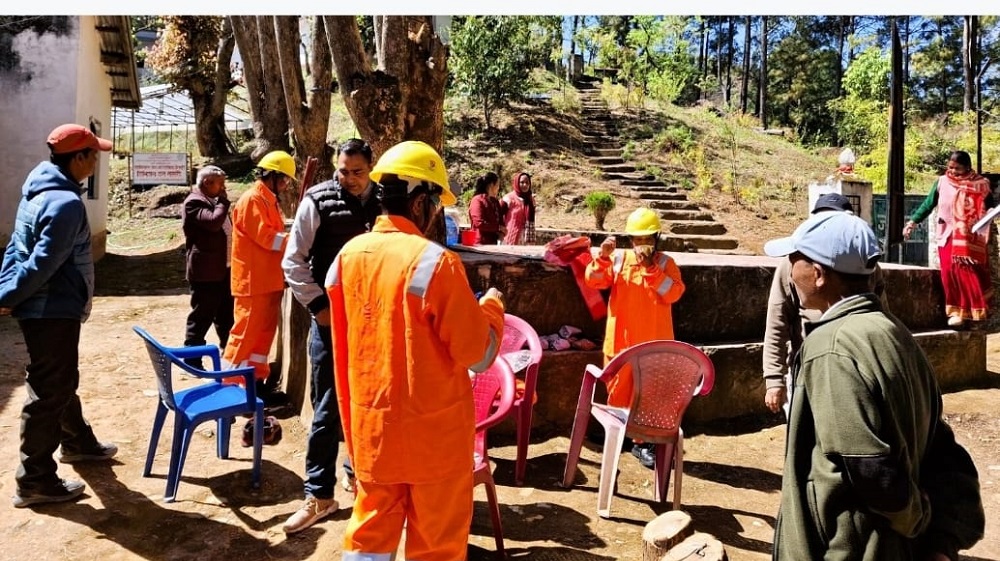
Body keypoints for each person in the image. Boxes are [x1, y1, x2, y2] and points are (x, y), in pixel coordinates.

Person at [765, 211, 984, 561]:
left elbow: (870, 469)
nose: (790, 271)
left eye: (795, 260)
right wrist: (939, 537)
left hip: (852, 549)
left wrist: (916, 520)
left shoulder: (831, 348)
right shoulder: (895, 332)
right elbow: (941, 447)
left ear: (818, 274)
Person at [325, 140, 506, 561]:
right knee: (437, 547)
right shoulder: (434, 263)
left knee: (368, 542)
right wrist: (492, 308)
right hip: (434, 446)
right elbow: (478, 354)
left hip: (372, 436)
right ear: (422, 203)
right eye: (436, 206)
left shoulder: (347, 257)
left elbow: (344, 348)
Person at [1, 124, 119, 508]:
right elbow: (40, 263)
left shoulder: (37, 193)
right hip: (52, 309)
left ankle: (78, 441)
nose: (96, 162)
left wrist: (6, 291)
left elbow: (15, 251)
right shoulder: (65, 204)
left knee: (60, 379)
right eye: (93, 155)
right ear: (78, 158)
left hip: (47, 307)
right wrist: (9, 295)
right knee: (48, 391)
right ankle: (35, 479)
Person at [280, 139, 381, 534]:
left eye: (357, 171)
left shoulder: (385, 201)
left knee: (370, 406)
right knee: (326, 409)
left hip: (375, 325)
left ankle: (357, 473)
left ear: (370, 168)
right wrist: (318, 306)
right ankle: (319, 495)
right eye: (343, 171)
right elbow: (294, 261)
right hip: (330, 324)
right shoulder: (317, 201)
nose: (350, 179)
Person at [762, 192, 888, 417]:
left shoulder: (868, 270)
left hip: (854, 368)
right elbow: (777, 321)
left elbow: (882, 313)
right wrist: (774, 378)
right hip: (806, 367)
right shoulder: (792, 266)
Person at [584, 207, 685, 469]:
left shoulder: (666, 264)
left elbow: (673, 294)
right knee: (618, 393)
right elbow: (594, 281)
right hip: (620, 344)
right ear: (630, 240)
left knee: (650, 396)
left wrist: (651, 268)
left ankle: (644, 443)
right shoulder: (619, 260)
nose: (642, 244)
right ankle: (617, 435)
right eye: (637, 239)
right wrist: (603, 258)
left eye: (647, 238)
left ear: (657, 238)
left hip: (654, 345)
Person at [222, 151, 294, 387]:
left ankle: (254, 383)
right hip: (253, 283)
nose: (285, 185)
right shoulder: (252, 200)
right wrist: (294, 239)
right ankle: (228, 386)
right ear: (270, 176)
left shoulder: (268, 200)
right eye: (283, 179)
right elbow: (266, 237)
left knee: (262, 337)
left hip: (268, 281)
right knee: (244, 336)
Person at [903, 150, 994, 329]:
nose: (952, 171)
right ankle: (955, 312)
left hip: (969, 239)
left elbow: (990, 207)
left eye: (957, 168)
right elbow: (928, 205)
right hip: (946, 235)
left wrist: (988, 214)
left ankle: (972, 313)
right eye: (950, 167)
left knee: (968, 273)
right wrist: (912, 222)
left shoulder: (981, 185)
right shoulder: (941, 182)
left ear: (967, 167)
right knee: (949, 273)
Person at [181, 165, 234, 369]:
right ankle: (192, 359)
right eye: (220, 183)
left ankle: (228, 354)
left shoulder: (212, 201)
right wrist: (223, 203)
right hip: (206, 273)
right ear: (206, 183)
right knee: (202, 316)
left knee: (225, 316)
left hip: (223, 269)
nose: (223, 187)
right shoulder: (194, 202)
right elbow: (213, 223)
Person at [467, 171, 505, 245]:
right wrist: (498, 227)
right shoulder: (477, 200)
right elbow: (479, 223)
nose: (498, 188)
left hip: (494, 243)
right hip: (479, 244)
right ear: (491, 185)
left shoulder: (495, 201)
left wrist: (502, 232)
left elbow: (501, 221)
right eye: (497, 185)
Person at [500, 171, 536, 245]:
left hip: (526, 240)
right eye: (522, 182)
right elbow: (497, 214)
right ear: (517, 183)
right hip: (510, 238)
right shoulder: (508, 198)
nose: (525, 185)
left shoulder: (531, 200)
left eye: (527, 183)